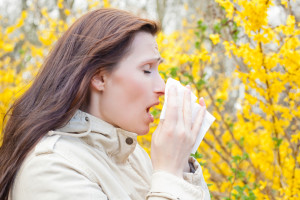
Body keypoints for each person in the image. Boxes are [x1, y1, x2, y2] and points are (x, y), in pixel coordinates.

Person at [0, 8, 210, 200]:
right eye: (147, 70)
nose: (162, 87)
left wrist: (181, 165)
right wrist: (169, 173)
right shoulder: (50, 168)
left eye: (157, 70)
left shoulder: (134, 157)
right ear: (100, 78)